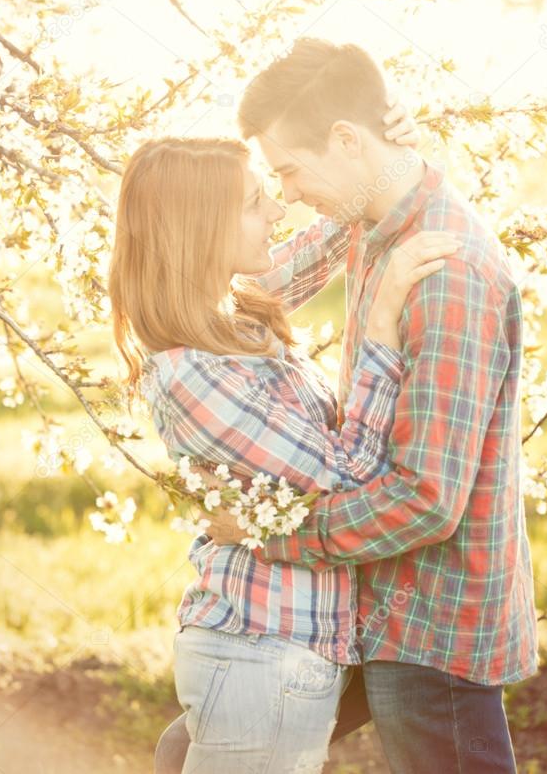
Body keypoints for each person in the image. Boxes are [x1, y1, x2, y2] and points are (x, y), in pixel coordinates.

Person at [206, 38, 539, 774]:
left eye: (289, 170)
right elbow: (251, 299)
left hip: (432, 628)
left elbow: (426, 501)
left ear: (346, 140)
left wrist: (270, 535)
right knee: (198, 749)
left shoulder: (446, 274)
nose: (285, 193)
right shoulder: (374, 222)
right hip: (372, 599)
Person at [108, 107, 458, 773]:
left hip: (288, 651)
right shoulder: (193, 373)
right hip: (262, 654)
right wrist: (381, 324)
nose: (276, 209)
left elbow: (322, 242)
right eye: (253, 201)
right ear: (200, 229)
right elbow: (348, 472)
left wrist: (383, 165)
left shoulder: (230, 316)